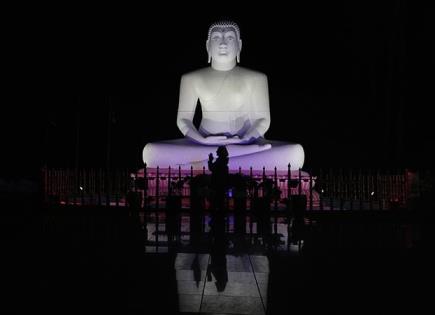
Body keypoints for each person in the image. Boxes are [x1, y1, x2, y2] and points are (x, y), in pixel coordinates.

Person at [143, 20, 304, 170]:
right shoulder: (191, 79)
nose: (222, 43)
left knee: (295, 152)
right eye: (216, 38)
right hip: (203, 145)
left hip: (246, 144)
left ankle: (204, 164)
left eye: (229, 38)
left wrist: (244, 139)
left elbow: (263, 120)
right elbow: (183, 120)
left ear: (239, 45)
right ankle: (232, 161)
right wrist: (202, 140)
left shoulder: (256, 78)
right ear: (208, 46)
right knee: (151, 152)